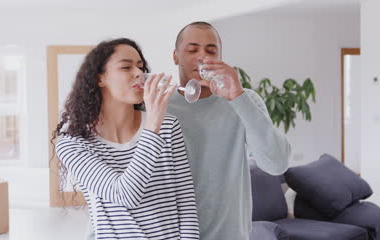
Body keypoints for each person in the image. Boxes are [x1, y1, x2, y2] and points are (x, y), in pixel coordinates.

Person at [53, 38, 199, 240]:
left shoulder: (168, 126)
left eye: (140, 66)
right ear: (99, 78)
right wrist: (153, 127)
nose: (139, 73)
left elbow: (185, 202)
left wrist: (154, 125)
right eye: (125, 67)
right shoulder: (73, 143)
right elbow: (124, 195)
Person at [168, 21, 291, 240]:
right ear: (176, 56)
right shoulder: (159, 105)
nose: (202, 56)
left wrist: (238, 97)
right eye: (192, 49)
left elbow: (276, 163)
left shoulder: (245, 100)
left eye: (211, 50)